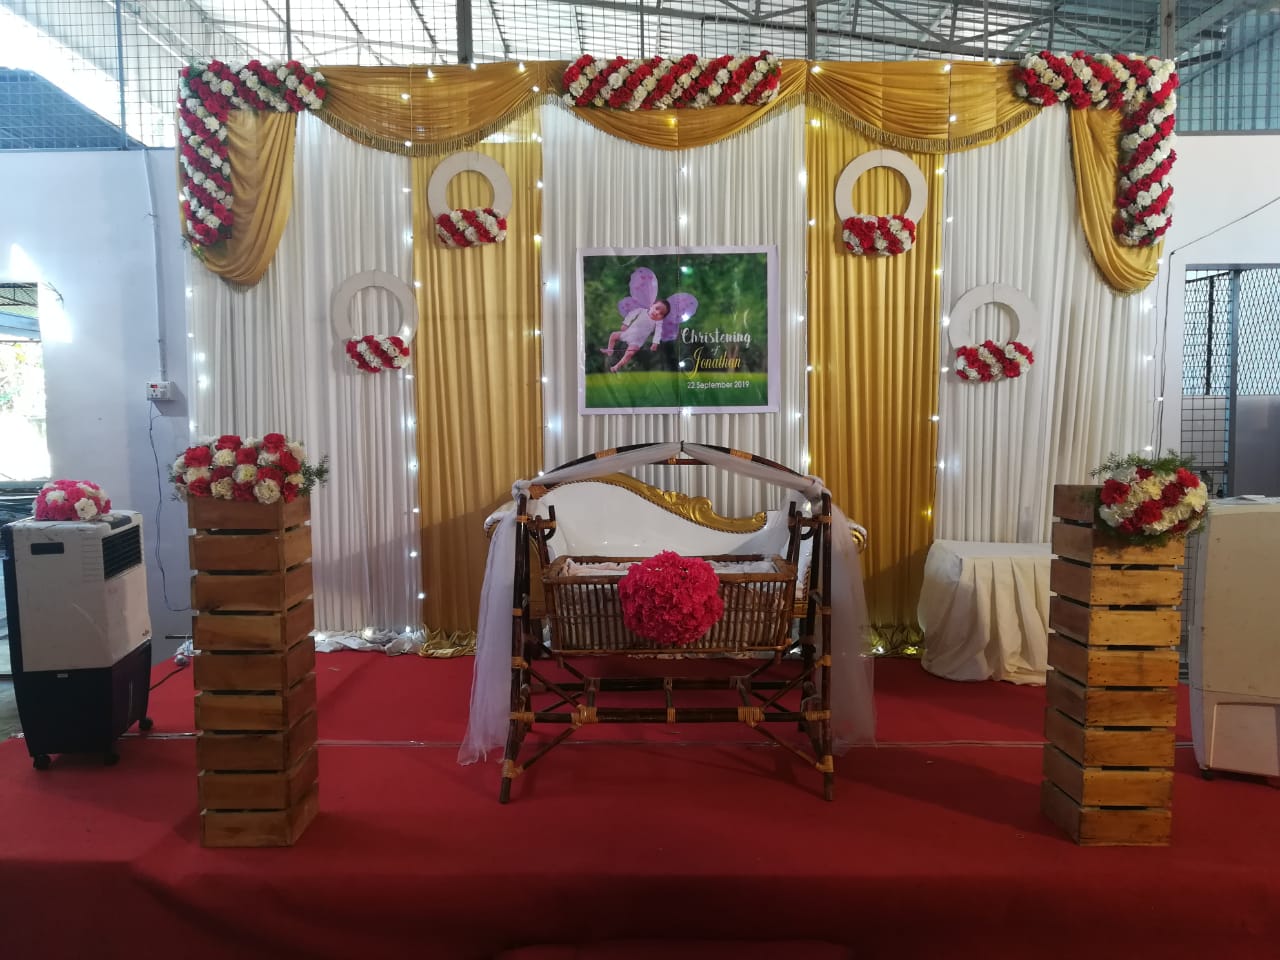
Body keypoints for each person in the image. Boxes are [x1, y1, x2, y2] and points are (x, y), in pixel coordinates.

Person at [600, 299, 669, 373]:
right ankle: (610, 350)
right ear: (651, 305)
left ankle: (616, 366)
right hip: (628, 334)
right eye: (657, 308)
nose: (657, 313)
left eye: (661, 314)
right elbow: (631, 315)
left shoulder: (657, 323)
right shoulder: (642, 311)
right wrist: (625, 323)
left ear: (662, 318)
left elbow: (658, 333)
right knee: (613, 335)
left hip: (636, 342)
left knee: (629, 353)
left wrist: (655, 343)